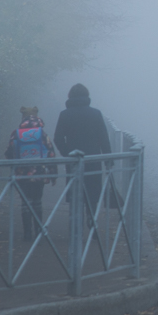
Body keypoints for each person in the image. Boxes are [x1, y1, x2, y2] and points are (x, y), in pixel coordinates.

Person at [53, 83, 113, 223]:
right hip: (93, 158)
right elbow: (103, 138)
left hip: (74, 159)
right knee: (92, 190)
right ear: (87, 96)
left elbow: (58, 138)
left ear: (70, 97)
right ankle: (91, 221)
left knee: (75, 191)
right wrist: (108, 159)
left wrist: (68, 153)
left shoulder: (64, 114)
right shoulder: (96, 113)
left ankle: (75, 224)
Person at [4, 106, 56, 241]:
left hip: (22, 174)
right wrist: (53, 173)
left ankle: (27, 233)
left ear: (23, 118)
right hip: (39, 174)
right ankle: (39, 231)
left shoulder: (16, 133)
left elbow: (9, 153)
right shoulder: (42, 133)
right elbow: (51, 153)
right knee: (37, 201)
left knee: (25, 202)